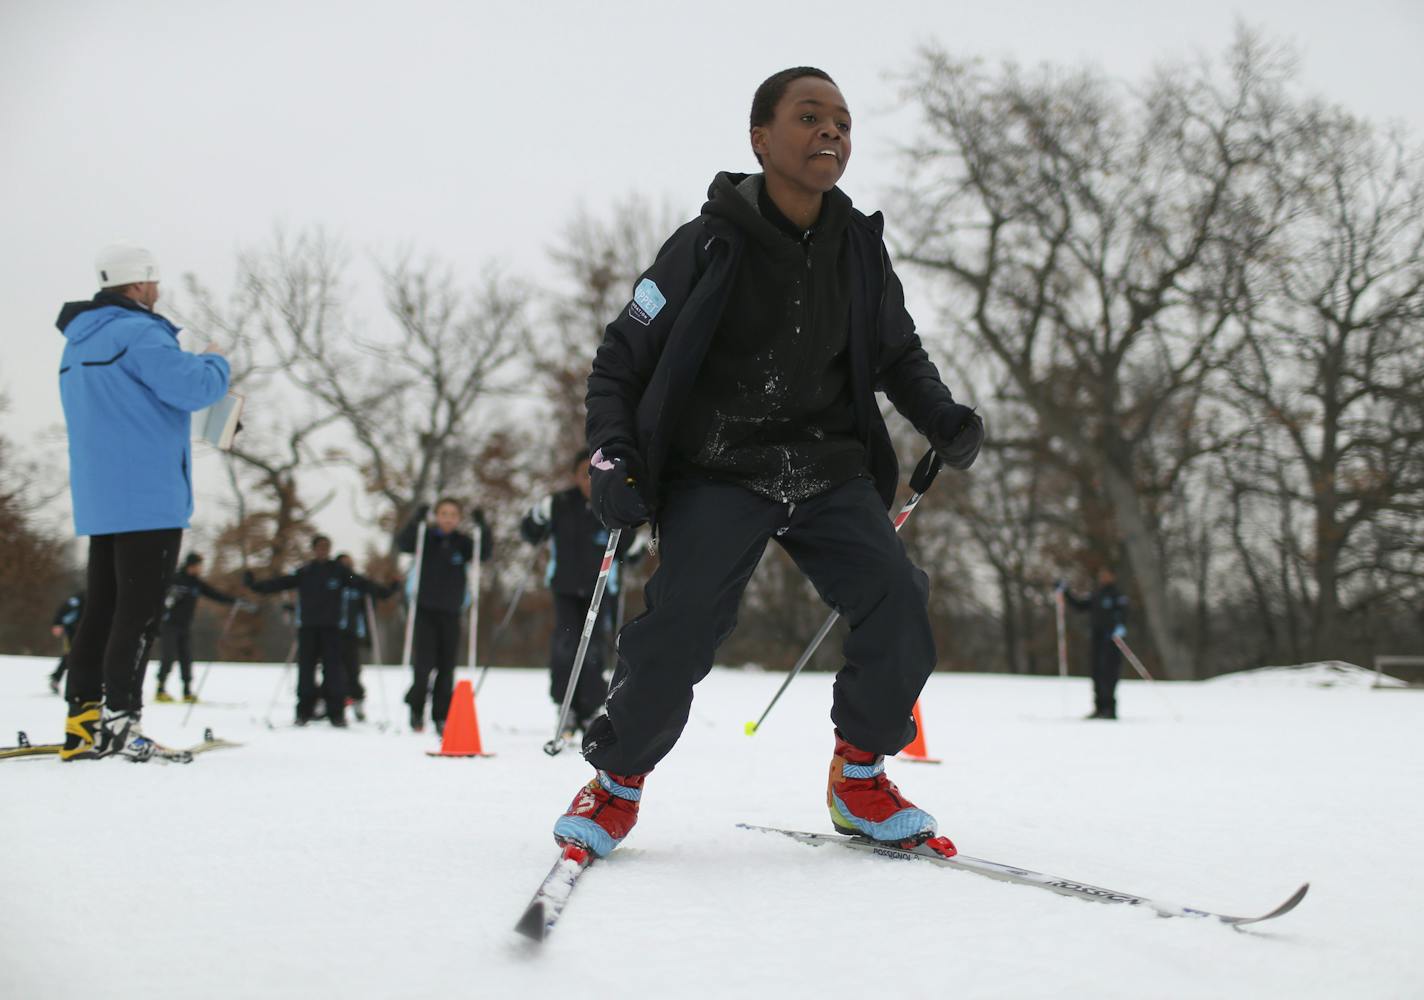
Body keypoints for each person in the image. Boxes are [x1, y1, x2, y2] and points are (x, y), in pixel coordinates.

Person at [549, 67, 985, 859]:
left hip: (827, 467)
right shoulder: (705, 244)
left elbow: (897, 352)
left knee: (897, 599)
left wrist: (942, 414)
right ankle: (615, 783)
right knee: (681, 623)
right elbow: (620, 360)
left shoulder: (858, 247)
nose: (831, 133)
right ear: (760, 137)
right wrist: (611, 456)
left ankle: (859, 779)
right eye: (810, 117)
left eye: (843, 123)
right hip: (719, 465)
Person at [56, 242, 230, 762]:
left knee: (102, 610)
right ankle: (121, 723)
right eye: (154, 283)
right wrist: (216, 360)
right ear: (138, 286)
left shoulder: (77, 342)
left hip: (102, 497)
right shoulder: (140, 332)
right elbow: (194, 388)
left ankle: (82, 723)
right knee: (140, 614)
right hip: (150, 497)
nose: (158, 292)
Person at [520, 450, 643, 735]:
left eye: (594, 474)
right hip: (565, 587)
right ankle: (566, 707)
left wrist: (633, 533)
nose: (589, 481)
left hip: (600, 590)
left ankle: (589, 709)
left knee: (593, 649)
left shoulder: (612, 502)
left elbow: (631, 552)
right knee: (565, 645)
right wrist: (537, 517)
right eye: (583, 474)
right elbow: (530, 533)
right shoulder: (559, 503)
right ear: (575, 476)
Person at [244, 535, 397, 727]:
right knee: (305, 672)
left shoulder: (340, 572)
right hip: (308, 629)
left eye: (326, 547)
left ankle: (336, 713)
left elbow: (362, 583)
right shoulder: (305, 572)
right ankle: (304, 712)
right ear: (314, 549)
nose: (322, 550)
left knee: (333, 672)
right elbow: (280, 583)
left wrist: (388, 590)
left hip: (332, 630)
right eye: (319, 547)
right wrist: (254, 585)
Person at [396, 498, 493, 734]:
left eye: (452, 514)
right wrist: (416, 519)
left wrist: (483, 527)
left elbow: (485, 553)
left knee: (446, 667)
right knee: (423, 665)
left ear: (458, 518)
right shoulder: (426, 537)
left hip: (451, 611)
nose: (447, 518)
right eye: (443, 513)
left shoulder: (463, 543)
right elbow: (404, 543)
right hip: (425, 610)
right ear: (436, 516)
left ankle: (441, 715)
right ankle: (416, 708)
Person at [155, 552, 239, 703]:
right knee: (168, 657)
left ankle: (187, 691)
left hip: (185, 626)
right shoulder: (175, 579)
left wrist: (233, 601)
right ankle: (160, 689)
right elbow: (161, 598)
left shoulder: (196, 583)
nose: (200, 568)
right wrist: (170, 598)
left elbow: (213, 594)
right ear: (190, 565)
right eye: (198, 565)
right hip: (169, 625)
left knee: (186, 658)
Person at [1057, 568, 1130, 720]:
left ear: (1113, 577)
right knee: (1096, 673)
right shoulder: (1096, 595)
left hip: (1112, 640)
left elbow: (1124, 613)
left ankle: (1110, 709)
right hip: (1097, 640)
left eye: (1106, 575)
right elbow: (1079, 605)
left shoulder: (1117, 595)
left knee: (1108, 675)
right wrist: (1065, 592)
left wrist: (1120, 626)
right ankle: (1099, 708)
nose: (1102, 578)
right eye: (1101, 575)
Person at [335, 552, 398, 722]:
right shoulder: (331, 582)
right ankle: (329, 700)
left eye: (349, 564)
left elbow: (380, 592)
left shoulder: (358, 582)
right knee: (332, 669)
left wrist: (392, 586)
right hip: (331, 633)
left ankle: (356, 698)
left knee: (352, 669)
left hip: (352, 633)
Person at [47, 590, 86, 694]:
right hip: (74, 631)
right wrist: (57, 623)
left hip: (91, 631)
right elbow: (66, 607)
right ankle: (56, 678)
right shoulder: (83, 596)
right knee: (70, 655)